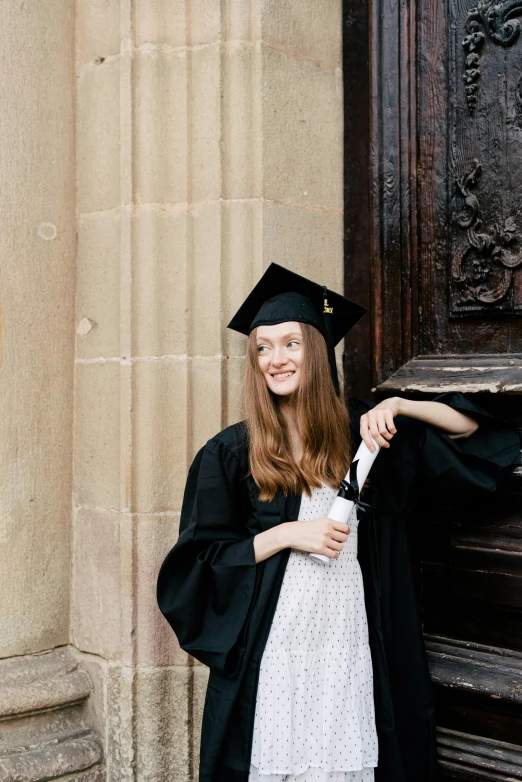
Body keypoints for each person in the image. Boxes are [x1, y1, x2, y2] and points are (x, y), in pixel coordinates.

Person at [157, 263, 521, 782]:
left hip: (349, 640)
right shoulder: (231, 454)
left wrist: (402, 405)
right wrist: (284, 534)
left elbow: (480, 438)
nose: (275, 360)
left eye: (290, 344)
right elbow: (194, 570)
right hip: (275, 651)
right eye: (263, 348)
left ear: (317, 350)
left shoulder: (366, 437)